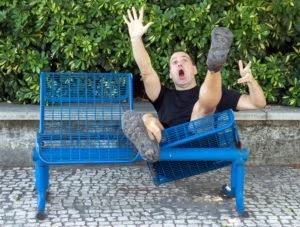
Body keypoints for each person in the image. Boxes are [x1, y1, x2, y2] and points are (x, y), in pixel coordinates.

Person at [121, 7, 266, 162]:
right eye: (174, 62)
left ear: (194, 69)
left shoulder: (216, 92)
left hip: (201, 148)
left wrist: (251, 81)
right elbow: (147, 71)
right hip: (169, 151)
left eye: (184, 60)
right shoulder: (162, 96)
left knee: (202, 107)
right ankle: (150, 147)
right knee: (147, 118)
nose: (179, 64)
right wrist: (135, 40)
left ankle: (214, 69)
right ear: (170, 74)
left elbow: (258, 103)